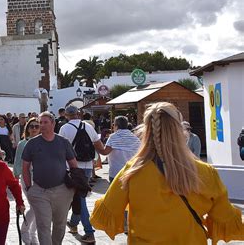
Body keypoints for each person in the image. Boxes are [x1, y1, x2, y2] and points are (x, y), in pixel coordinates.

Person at [90, 102, 244, 244]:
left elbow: (103, 216)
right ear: (180, 131)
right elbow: (226, 219)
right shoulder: (205, 172)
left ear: (146, 131)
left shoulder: (132, 171)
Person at [22, 111, 78, 245]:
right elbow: (25, 168)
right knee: (43, 225)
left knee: (60, 225)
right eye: (40, 122)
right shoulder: (32, 143)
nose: (42, 125)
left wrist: (74, 187)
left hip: (62, 190)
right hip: (40, 190)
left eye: (45, 122)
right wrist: (30, 188)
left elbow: (73, 165)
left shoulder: (63, 142)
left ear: (53, 123)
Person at [59, 105, 100, 244]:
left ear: (66, 115)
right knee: (78, 196)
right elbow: (97, 144)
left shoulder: (64, 128)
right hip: (88, 166)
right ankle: (73, 223)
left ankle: (89, 232)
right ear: (78, 114)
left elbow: (61, 150)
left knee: (80, 198)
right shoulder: (88, 126)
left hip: (72, 167)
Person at [13, 117, 40, 244]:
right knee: (35, 206)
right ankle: (25, 230)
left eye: (36, 126)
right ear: (27, 128)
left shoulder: (42, 142)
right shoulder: (23, 143)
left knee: (40, 208)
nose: (34, 128)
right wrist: (16, 176)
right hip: (27, 177)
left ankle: (32, 234)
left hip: (41, 178)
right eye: (31, 126)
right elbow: (18, 161)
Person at [94, 116, 141, 182]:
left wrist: (96, 146)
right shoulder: (135, 138)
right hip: (131, 171)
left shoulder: (113, 137)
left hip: (116, 172)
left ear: (116, 125)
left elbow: (105, 152)